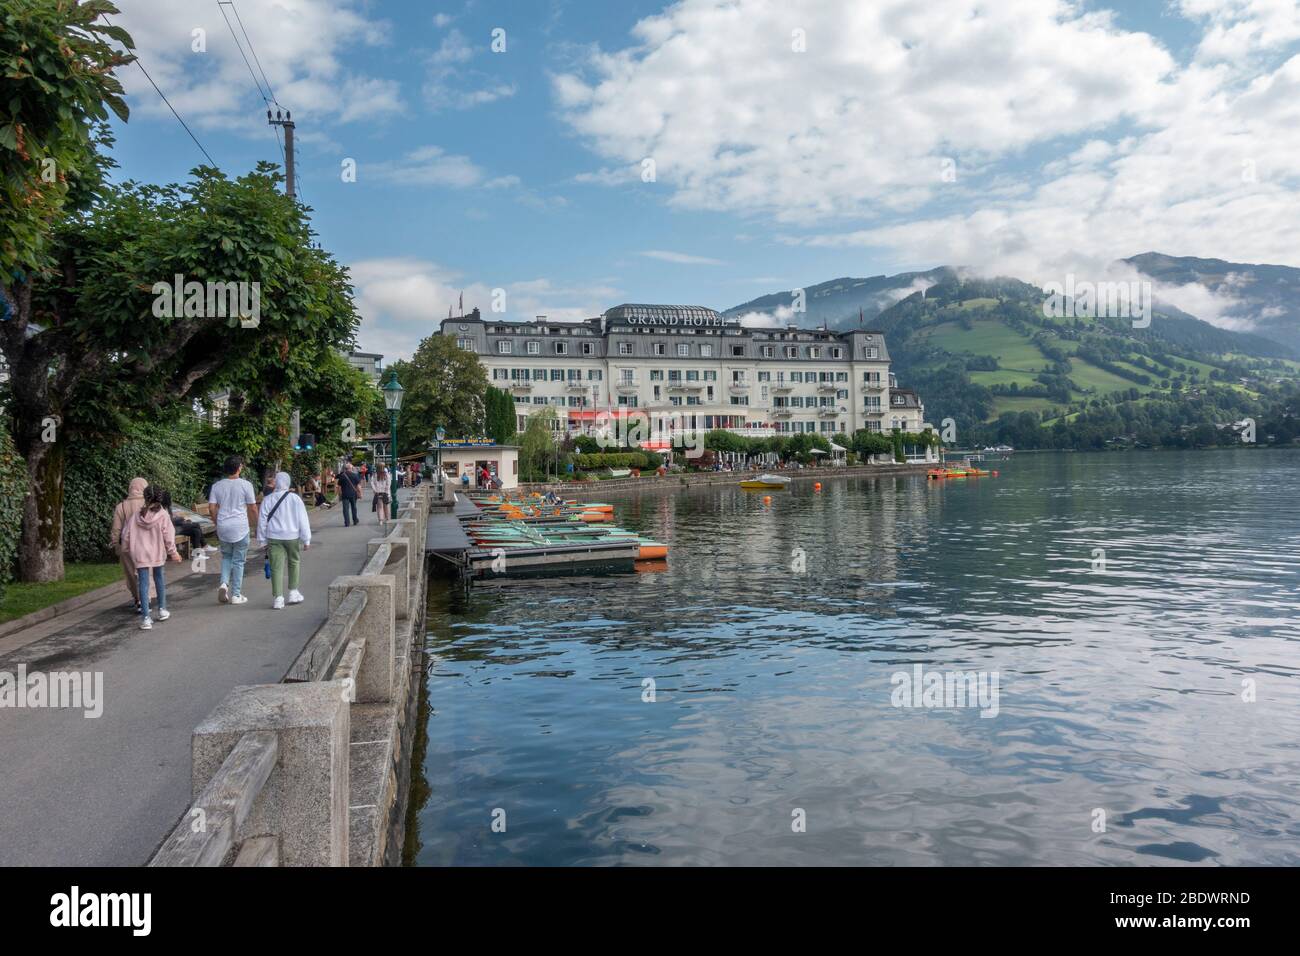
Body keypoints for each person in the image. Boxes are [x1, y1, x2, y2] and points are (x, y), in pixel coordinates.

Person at [121, 485, 182, 630]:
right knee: (159, 579)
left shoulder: (137, 515)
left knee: (143, 584)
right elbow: (169, 536)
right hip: (157, 553)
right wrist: (173, 552)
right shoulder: (163, 515)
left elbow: (126, 535)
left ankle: (146, 618)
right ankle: (162, 609)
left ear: (145, 497)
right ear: (160, 498)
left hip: (140, 554)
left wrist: (126, 549)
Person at [208, 454, 258, 606]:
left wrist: (217, 522)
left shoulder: (217, 486)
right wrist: (256, 525)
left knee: (226, 557)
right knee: (238, 561)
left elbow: (211, 508)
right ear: (239, 468)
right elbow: (252, 507)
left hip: (223, 526)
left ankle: (224, 583)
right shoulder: (246, 485)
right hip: (240, 527)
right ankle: (236, 594)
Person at [257, 471, 311, 610]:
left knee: (276, 567)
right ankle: (293, 592)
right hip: (292, 536)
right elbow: (303, 519)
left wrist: (262, 540)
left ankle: (278, 598)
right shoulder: (295, 499)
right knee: (294, 562)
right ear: (288, 483)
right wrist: (306, 539)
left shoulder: (268, 499)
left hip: (274, 537)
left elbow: (262, 521)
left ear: (276, 482)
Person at [110, 477, 148, 612]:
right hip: (146, 543)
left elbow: (116, 528)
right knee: (146, 571)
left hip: (127, 545)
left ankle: (137, 598)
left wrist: (115, 543)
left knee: (131, 572)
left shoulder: (121, 506)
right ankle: (147, 597)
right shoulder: (148, 504)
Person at [337, 462, 362, 526]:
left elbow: (339, 487)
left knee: (345, 509)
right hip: (353, 494)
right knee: (354, 507)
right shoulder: (355, 475)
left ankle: (347, 522)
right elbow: (358, 486)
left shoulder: (342, 476)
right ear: (351, 468)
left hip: (345, 494)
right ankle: (355, 520)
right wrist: (360, 494)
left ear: (345, 469)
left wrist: (340, 494)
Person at [370, 463, 391, 528]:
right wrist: (386, 490)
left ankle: (380, 520)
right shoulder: (387, 474)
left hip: (378, 493)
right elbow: (389, 483)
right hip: (386, 493)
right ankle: (387, 519)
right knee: (386, 506)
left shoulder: (374, 475)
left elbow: (372, 483)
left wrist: (375, 490)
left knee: (380, 507)